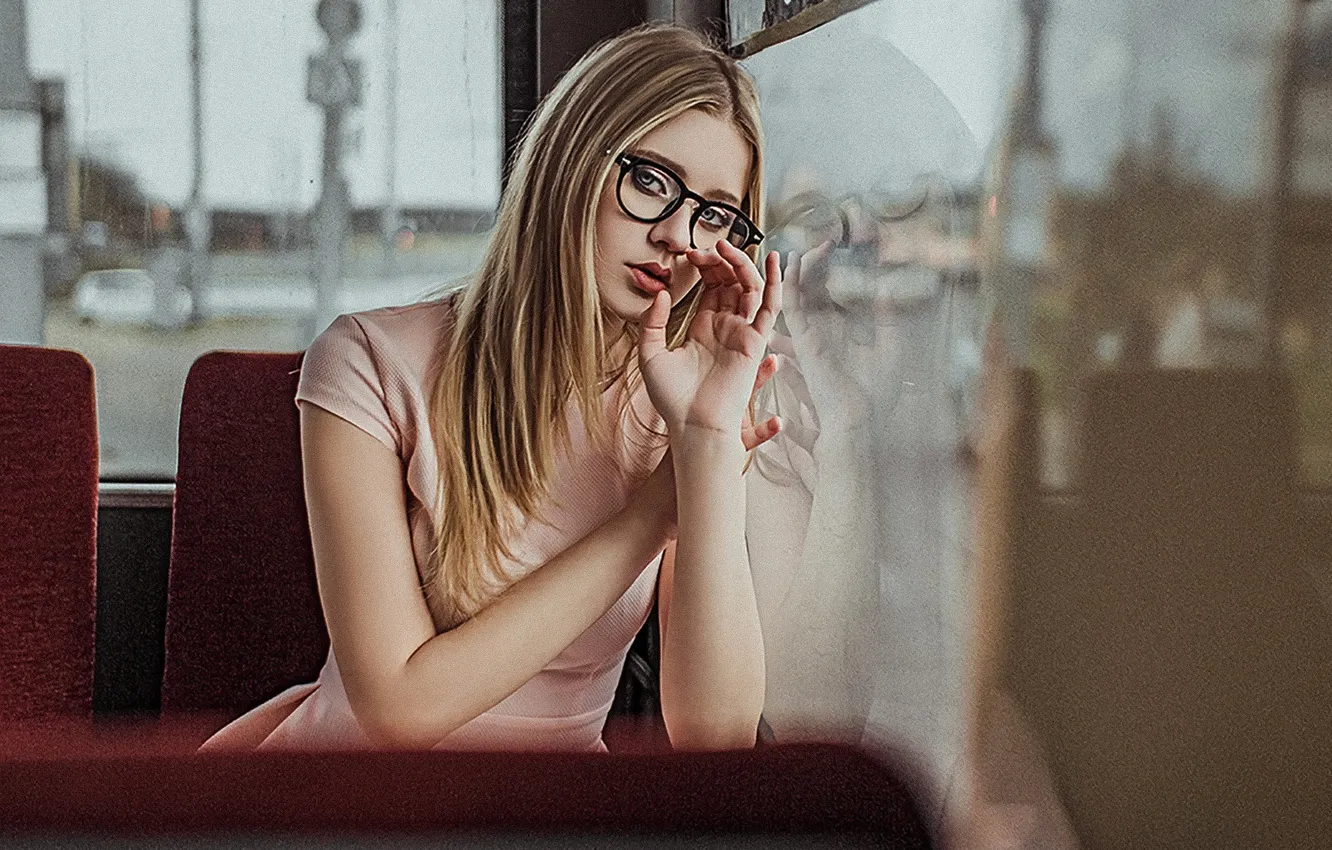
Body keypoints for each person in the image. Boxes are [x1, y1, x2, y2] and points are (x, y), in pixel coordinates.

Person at [200, 22, 789, 754]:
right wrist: (648, 518)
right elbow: (398, 711)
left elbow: (718, 738)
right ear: (571, 161)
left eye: (713, 214)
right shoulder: (368, 360)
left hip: (556, 813)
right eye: (650, 180)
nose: (676, 233)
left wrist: (702, 449)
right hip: (356, 800)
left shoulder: (688, 404)